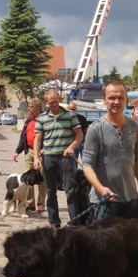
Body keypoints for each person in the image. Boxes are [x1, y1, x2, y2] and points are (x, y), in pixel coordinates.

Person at [82, 80, 138, 219]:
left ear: (126, 100)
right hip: (105, 201)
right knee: (103, 241)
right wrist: (101, 189)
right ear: (104, 100)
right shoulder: (96, 129)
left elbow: (137, 160)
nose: (116, 102)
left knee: (130, 241)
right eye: (112, 98)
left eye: (120, 98)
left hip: (131, 200)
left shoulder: (134, 126)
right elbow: (87, 164)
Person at [33, 89, 83, 229]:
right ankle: (54, 223)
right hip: (48, 157)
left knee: (71, 190)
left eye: (56, 101)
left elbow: (79, 134)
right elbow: (37, 139)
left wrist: (72, 147)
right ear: (46, 102)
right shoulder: (41, 118)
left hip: (66, 158)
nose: (54, 104)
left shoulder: (70, 115)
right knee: (50, 191)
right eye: (51, 102)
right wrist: (36, 158)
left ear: (59, 99)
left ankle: (75, 223)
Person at [13, 98, 46, 212]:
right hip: (30, 151)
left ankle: (41, 203)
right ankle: (30, 203)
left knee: (41, 179)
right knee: (28, 178)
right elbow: (23, 137)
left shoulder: (45, 119)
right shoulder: (28, 121)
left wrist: (44, 149)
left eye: (31, 107)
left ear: (37, 107)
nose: (29, 109)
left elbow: (49, 136)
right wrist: (18, 151)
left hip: (42, 152)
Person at [67, 102, 89, 166]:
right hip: (73, 145)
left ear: (76, 109)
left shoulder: (82, 118)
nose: (72, 111)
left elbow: (86, 130)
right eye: (70, 109)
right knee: (73, 165)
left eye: (73, 109)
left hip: (82, 144)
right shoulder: (67, 119)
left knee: (86, 163)